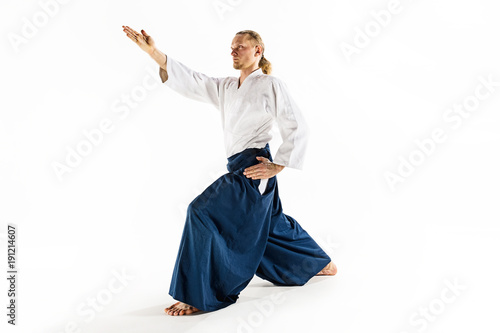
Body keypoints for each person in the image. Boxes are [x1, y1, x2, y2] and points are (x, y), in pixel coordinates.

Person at [122, 26, 338, 316]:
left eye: (241, 47)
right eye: (232, 47)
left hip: (254, 168)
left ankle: (198, 294)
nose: (234, 51)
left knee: (200, 211)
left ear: (257, 51)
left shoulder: (270, 84)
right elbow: (193, 80)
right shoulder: (226, 86)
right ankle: (318, 261)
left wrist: (278, 166)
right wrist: (153, 53)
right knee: (271, 226)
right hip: (239, 165)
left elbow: (297, 124)